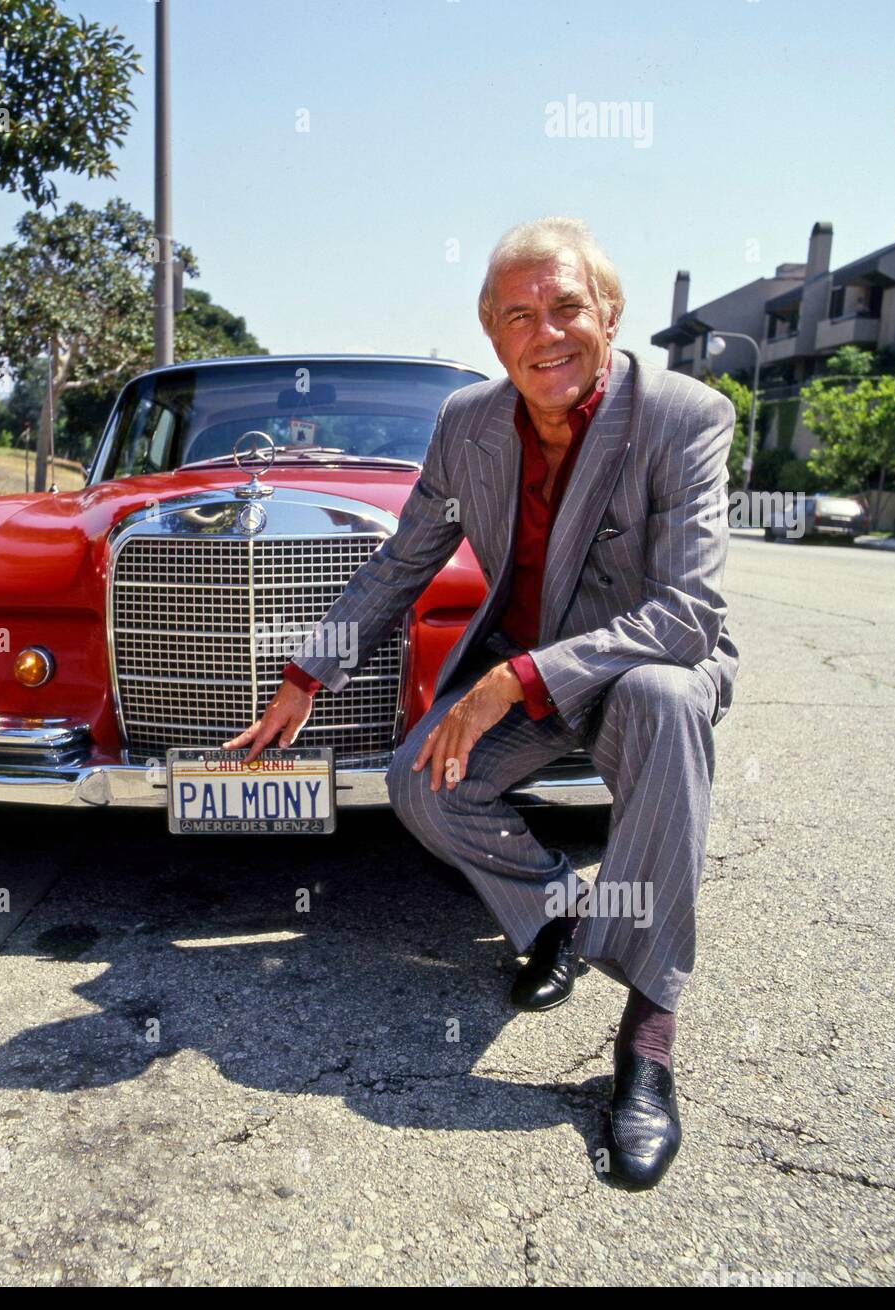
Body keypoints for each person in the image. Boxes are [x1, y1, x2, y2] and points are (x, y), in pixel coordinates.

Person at [223, 216, 737, 1189]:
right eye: (516, 316)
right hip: (530, 661)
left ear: (610, 314)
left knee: (666, 700)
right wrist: (304, 676)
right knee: (423, 780)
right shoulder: (467, 426)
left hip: (645, 668)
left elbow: (689, 614)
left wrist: (517, 679)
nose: (544, 332)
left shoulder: (684, 416)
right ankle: (553, 915)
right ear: (492, 340)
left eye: (565, 307)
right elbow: (400, 563)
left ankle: (647, 1042)